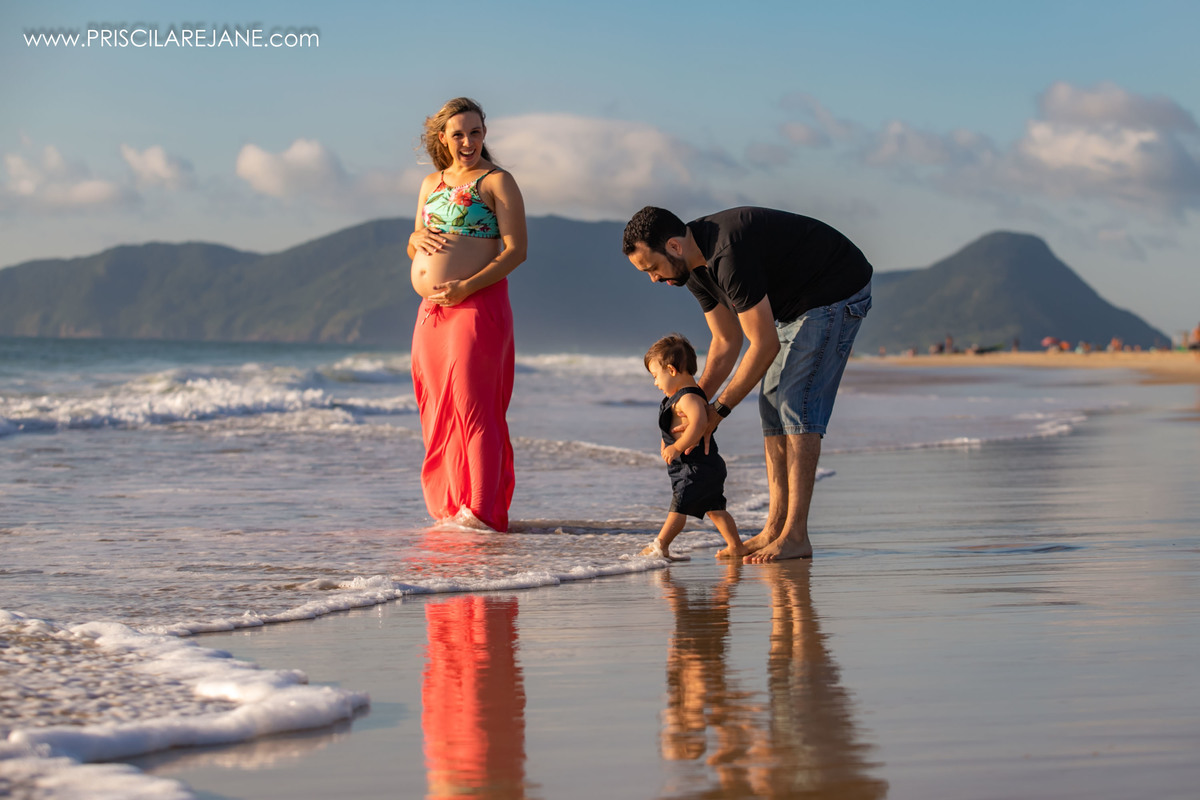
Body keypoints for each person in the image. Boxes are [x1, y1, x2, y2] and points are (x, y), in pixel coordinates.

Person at [622, 206, 872, 563]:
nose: (653, 279)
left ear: (674, 247)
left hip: (834, 290)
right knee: (770, 404)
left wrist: (718, 411)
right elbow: (726, 343)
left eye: (651, 268)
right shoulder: (692, 271)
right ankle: (775, 528)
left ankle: (796, 535)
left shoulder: (727, 254)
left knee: (793, 402)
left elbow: (764, 344)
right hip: (793, 306)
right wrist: (692, 404)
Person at [408, 97, 527, 531]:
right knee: (436, 407)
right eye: (458, 134)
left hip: (477, 303)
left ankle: (480, 512)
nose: (467, 142)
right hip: (430, 313)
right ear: (443, 138)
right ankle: (448, 512)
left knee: (475, 407)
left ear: (484, 134)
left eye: (475, 132)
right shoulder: (430, 183)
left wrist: (464, 287)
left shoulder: (496, 181)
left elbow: (517, 251)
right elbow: (415, 243)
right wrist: (415, 240)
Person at [640, 334, 748, 561]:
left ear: (671, 370)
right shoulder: (681, 396)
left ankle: (661, 546)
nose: (655, 383)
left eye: (655, 376)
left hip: (696, 466)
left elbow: (699, 423)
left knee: (679, 506)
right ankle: (736, 546)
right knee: (715, 508)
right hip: (702, 465)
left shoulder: (688, 398)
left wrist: (678, 446)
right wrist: (668, 441)